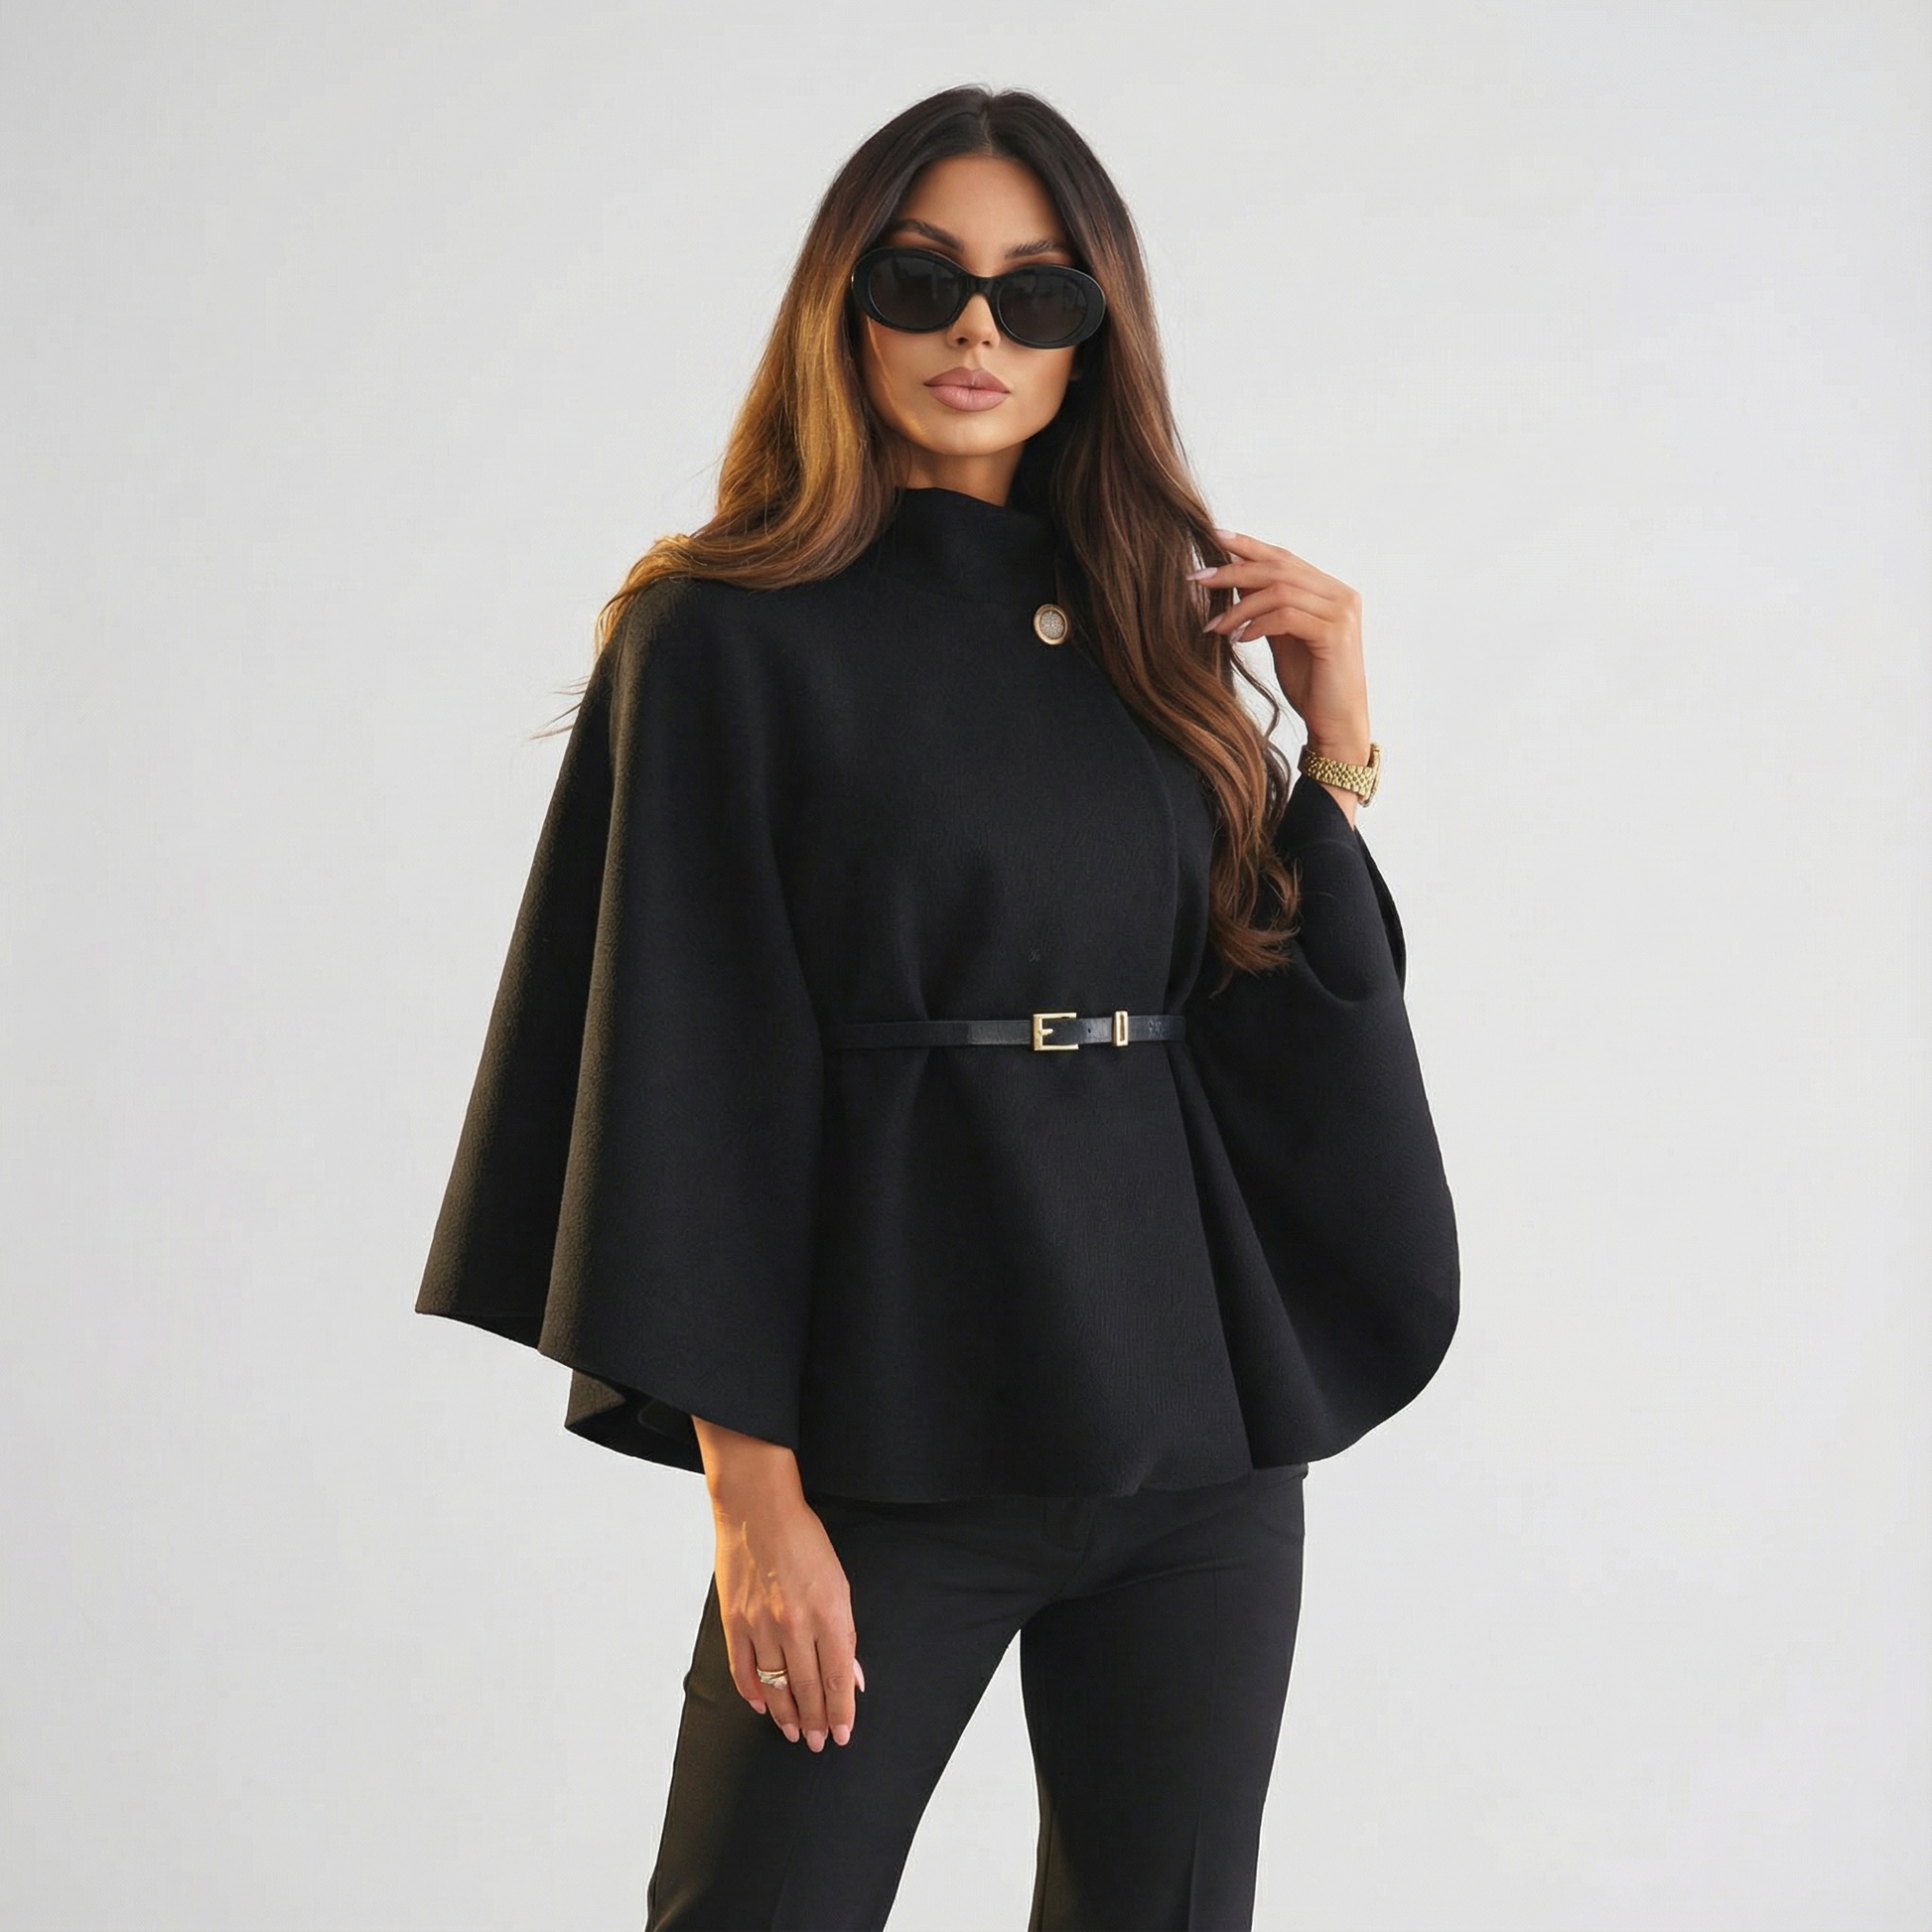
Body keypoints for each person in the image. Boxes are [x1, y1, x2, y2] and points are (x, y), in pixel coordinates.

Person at [416, 82, 1459, 1932]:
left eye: (1035, 293)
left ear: (1090, 338)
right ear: (845, 304)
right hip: (887, 1437)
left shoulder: (1145, 624)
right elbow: (685, 1066)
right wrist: (750, 1494)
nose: (977, 329)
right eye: (923, 279)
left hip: (1193, 1448)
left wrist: (1336, 741)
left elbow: (1276, 1005)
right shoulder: (718, 635)